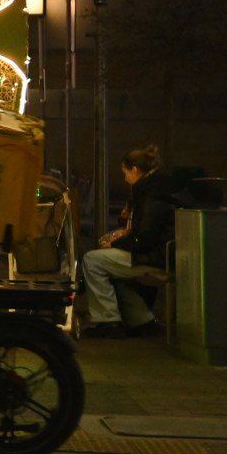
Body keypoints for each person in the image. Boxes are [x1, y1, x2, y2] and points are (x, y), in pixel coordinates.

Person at [81, 145, 189, 339]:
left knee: (92, 261)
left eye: (125, 173)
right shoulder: (157, 188)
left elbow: (145, 237)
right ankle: (142, 320)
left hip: (156, 257)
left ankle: (108, 321)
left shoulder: (151, 194)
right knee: (110, 267)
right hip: (163, 252)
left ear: (135, 170)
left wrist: (115, 244)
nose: (125, 179)